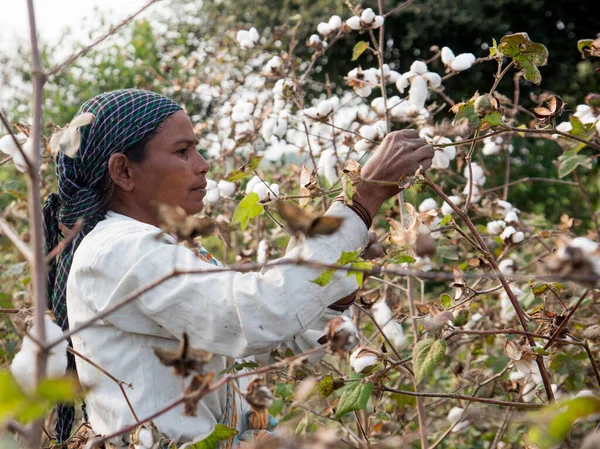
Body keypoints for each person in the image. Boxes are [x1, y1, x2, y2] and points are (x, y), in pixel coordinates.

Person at [43, 89, 434, 446]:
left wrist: (336, 290)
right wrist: (362, 198)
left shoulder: (162, 248)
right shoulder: (119, 251)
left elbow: (260, 353)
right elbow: (255, 316)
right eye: (183, 151)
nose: (203, 164)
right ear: (124, 171)